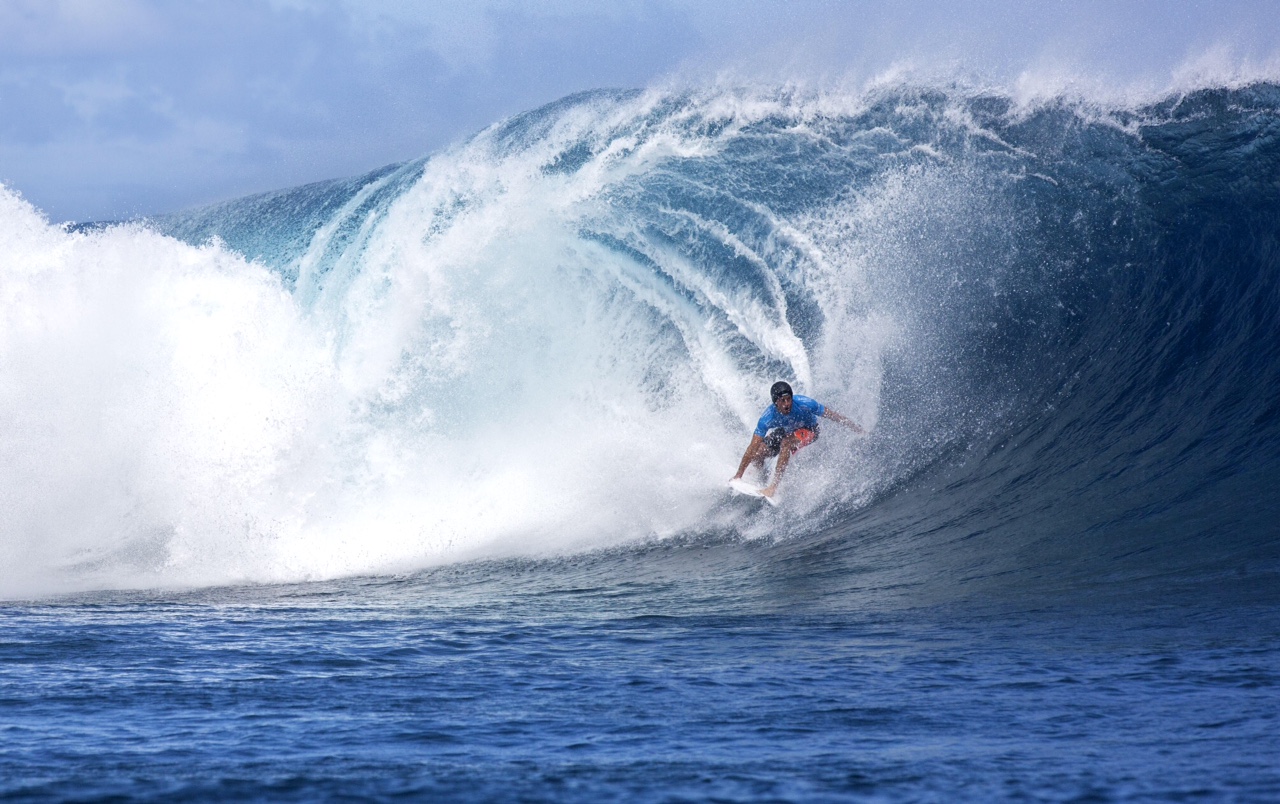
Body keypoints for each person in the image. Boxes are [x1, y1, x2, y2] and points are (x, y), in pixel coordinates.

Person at [730, 381, 865, 499]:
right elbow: (752, 447)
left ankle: (772, 488)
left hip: (809, 430)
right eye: (782, 401)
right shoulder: (767, 417)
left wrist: (856, 428)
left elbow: (833, 415)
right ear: (775, 402)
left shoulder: (805, 403)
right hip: (786, 431)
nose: (787, 404)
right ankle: (760, 478)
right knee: (758, 452)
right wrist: (738, 475)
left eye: (789, 399)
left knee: (786, 444)